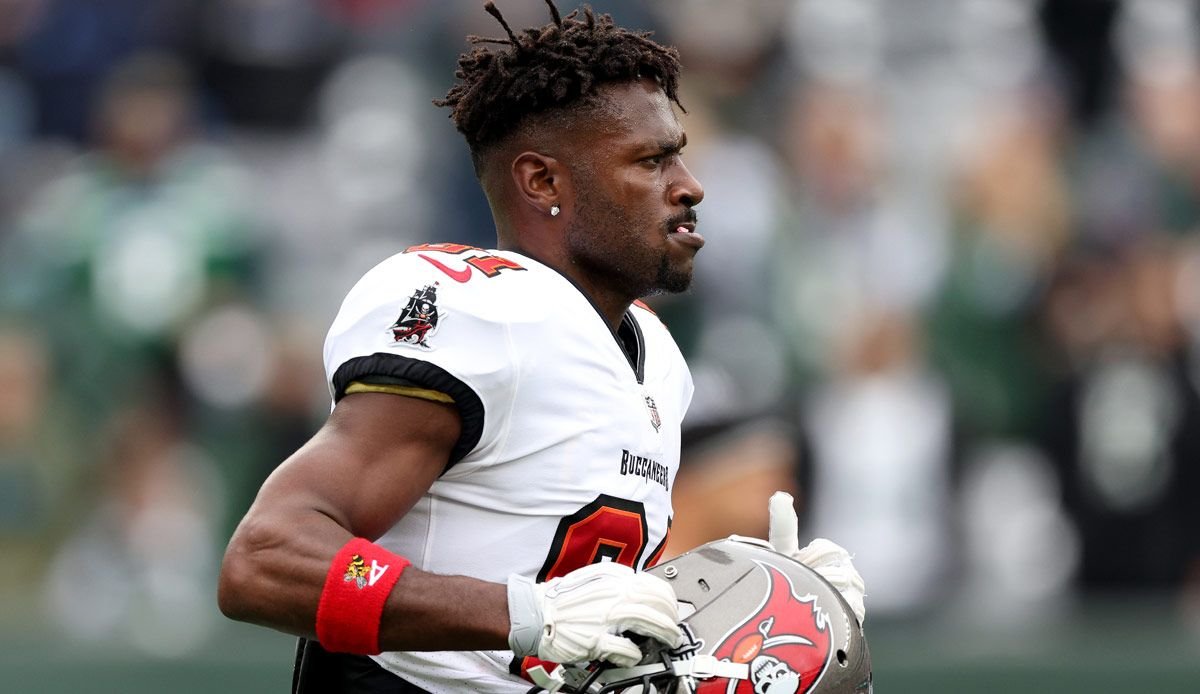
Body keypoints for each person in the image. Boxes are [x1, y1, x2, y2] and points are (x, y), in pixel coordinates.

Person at [217, 3, 864, 692]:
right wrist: (521, 614)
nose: (689, 185)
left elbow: (589, 606)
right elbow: (267, 557)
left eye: (678, 154)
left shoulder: (655, 353)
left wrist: (761, 594)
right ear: (543, 182)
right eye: (651, 161)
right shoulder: (481, 313)